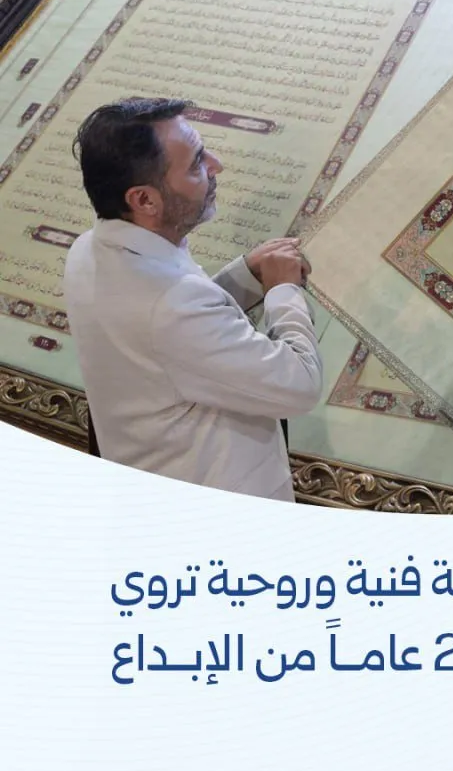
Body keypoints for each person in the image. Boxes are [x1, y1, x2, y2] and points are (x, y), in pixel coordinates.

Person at [63, 97, 322, 500]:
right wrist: (282, 291)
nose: (216, 165)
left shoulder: (87, 249)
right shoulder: (172, 305)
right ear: (144, 200)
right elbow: (300, 384)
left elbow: (174, 339)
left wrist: (245, 275)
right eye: (197, 163)